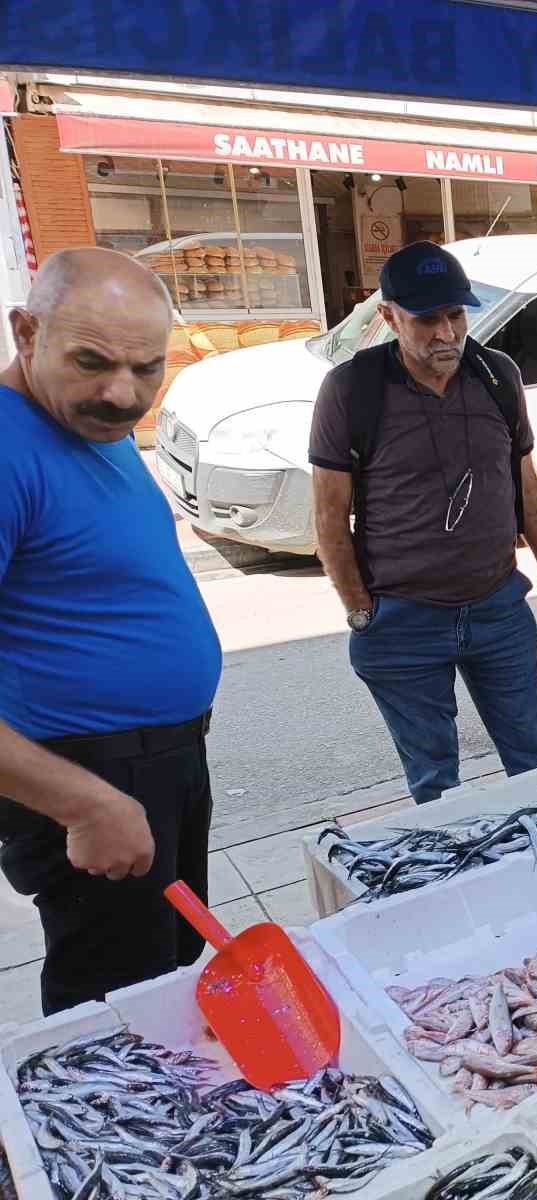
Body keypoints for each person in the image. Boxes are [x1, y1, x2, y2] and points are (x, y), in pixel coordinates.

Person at [0, 248, 222, 1014]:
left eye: (146, 369)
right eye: (93, 362)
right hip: (90, 773)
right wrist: (85, 805)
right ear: (26, 332)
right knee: (113, 999)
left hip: (161, 760)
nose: (122, 393)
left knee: (167, 961)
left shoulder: (92, 421)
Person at [310, 242, 537, 805]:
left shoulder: (497, 375)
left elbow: (526, 485)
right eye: (427, 320)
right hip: (403, 619)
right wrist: (360, 609)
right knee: (436, 786)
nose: (447, 333)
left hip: (497, 608)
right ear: (388, 316)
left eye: (456, 315)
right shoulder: (352, 389)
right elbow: (329, 516)